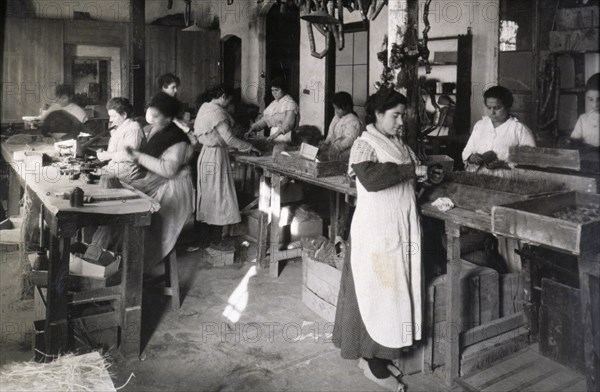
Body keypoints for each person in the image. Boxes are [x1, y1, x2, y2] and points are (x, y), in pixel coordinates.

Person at [333, 87, 427, 391]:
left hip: (399, 228)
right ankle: (371, 361)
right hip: (376, 232)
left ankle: (377, 355)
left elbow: (409, 177)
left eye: (404, 115)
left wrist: (426, 177)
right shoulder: (364, 143)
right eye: (396, 115)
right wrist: (413, 170)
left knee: (393, 294)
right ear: (377, 115)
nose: (402, 121)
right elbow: (372, 180)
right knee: (376, 293)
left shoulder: (400, 144)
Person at [189, 84, 261, 252]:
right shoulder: (217, 112)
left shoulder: (205, 108)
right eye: (228, 100)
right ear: (223, 97)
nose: (228, 104)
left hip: (206, 154)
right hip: (215, 157)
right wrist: (250, 147)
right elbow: (229, 139)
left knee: (207, 198)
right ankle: (215, 240)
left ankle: (203, 240)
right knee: (219, 196)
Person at [462, 85, 536, 176]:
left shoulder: (520, 129)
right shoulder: (480, 125)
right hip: (478, 178)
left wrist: (503, 164)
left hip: (506, 180)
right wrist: (471, 157)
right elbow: (467, 151)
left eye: (497, 108)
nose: (492, 112)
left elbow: (531, 161)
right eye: (489, 108)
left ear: (507, 107)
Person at [97, 97, 145, 182]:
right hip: (116, 170)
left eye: (113, 116)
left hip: (127, 174)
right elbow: (114, 153)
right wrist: (103, 154)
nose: (110, 120)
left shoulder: (134, 129)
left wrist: (108, 155)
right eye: (110, 116)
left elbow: (130, 155)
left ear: (124, 115)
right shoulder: (120, 128)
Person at [246, 77, 299, 143]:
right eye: (272, 90)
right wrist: (253, 128)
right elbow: (264, 120)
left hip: (286, 136)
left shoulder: (290, 103)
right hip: (274, 137)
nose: (274, 93)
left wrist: (274, 135)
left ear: (284, 90)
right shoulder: (274, 103)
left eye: (276, 90)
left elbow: (288, 124)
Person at [320, 92, 363, 161]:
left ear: (347, 106)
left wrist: (338, 148)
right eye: (335, 108)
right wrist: (326, 143)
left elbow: (350, 139)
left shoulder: (353, 121)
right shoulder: (336, 117)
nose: (336, 111)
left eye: (338, 109)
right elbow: (331, 133)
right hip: (334, 149)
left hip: (345, 152)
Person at [571, 73, 599, 147]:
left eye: (599, 99)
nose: (595, 105)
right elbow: (574, 145)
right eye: (590, 99)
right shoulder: (583, 119)